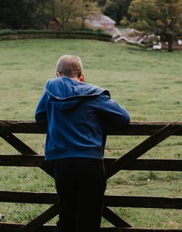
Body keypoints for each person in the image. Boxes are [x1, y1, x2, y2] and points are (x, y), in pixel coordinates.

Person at [35, 55, 131, 232]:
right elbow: (124, 117)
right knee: (90, 217)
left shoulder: (51, 91)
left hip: (62, 161)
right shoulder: (95, 94)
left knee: (66, 215)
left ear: (58, 74)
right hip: (90, 161)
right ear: (82, 76)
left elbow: (39, 116)